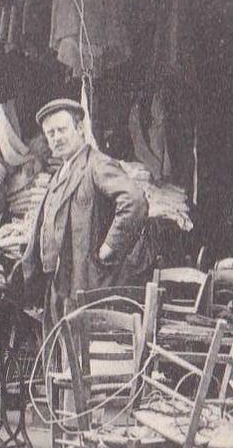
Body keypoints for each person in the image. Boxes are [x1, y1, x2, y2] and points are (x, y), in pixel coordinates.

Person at [21, 98, 149, 319]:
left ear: (80, 128)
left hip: (89, 283)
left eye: (62, 130)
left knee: (82, 349)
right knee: (61, 348)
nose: (57, 138)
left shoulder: (96, 164)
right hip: (60, 286)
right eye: (51, 134)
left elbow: (134, 201)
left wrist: (109, 247)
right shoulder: (59, 174)